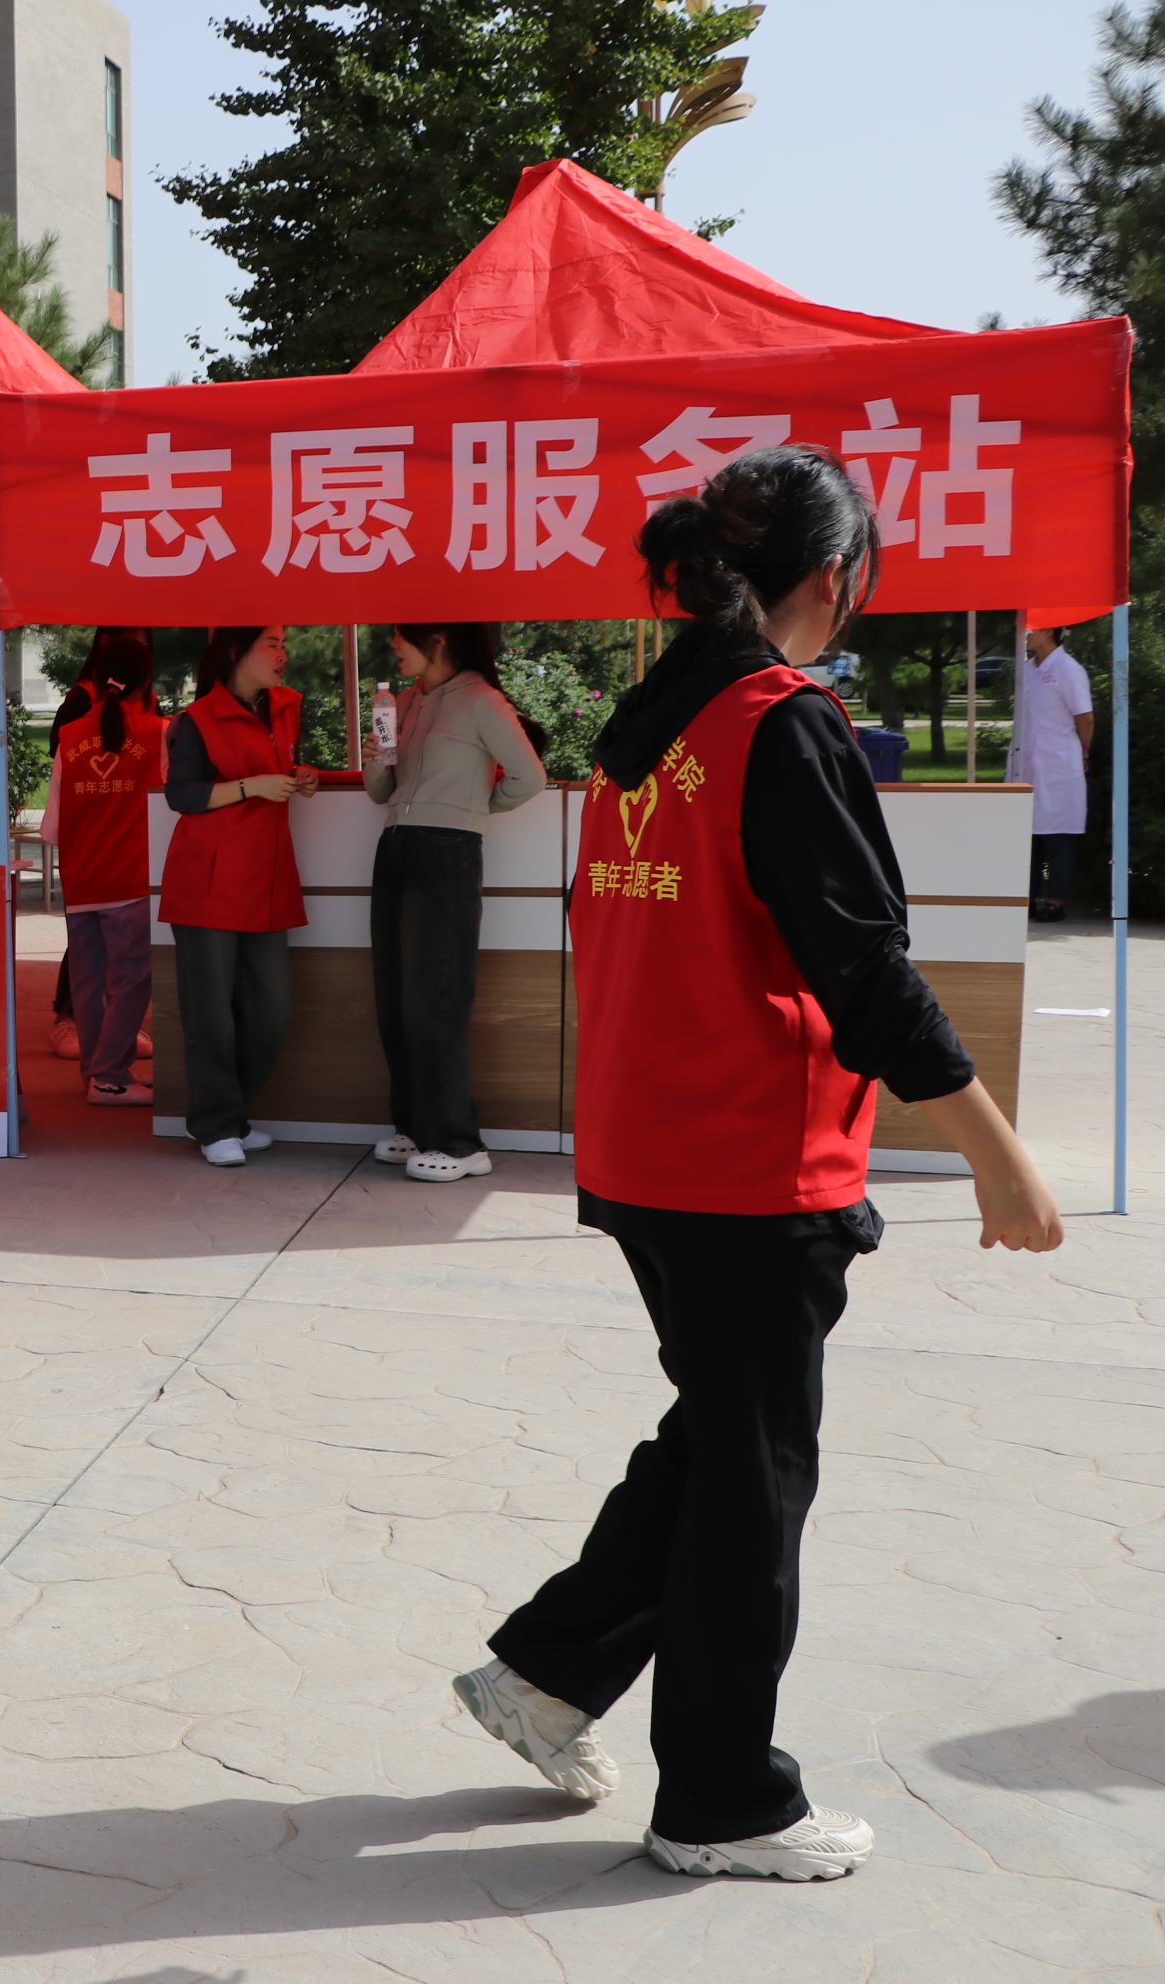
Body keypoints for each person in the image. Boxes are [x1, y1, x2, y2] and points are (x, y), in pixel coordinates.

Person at [453, 446, 1063, 1883]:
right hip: (744, 1162)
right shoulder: (778, 723)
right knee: (752, 1490)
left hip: (649, 1146)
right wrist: (997, 1153)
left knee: (721, 1443)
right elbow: (866, 969)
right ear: (836, 579)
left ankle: (544, 1671)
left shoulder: (645, 726)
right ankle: (721, 1802)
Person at [363, 622, 547, 1182]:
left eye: (402, 636)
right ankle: (417, 1127)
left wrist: (472, 809)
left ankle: (460, 1143)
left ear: (437, 638)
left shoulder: (481, 700)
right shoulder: (406, 702)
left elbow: (528, 777)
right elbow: (381, 791)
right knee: (395, 998)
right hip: (396, 845)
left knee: (435, 998)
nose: (393, 645)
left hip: (447, 850)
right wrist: (375, 757)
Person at [158, 626, 315, 1166]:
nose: (282, 653)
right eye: (271, 643)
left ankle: (228, 1113)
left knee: (273, 1008)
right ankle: (217, 1124)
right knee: (210, 1013)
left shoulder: (286, 708)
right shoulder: (195, 720)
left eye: (283, 643)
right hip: (208, 880)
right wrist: (253, 786)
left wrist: (302, 776)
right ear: (235, 652)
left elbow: (283, 766)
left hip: (267, 878)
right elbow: (181, 794)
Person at [46, 628, 169, 1106]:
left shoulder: (70, 736)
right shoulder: (160, 733)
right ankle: (111, 1075)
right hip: (131, 878)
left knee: (88, 984)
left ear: (96, 678)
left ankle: (96, 1074)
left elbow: (53, 825)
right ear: (147, 683)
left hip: (81, 881)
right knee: (133, 981)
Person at [1007, 622, 1094, 921]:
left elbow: (1085, 717)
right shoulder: (1027, 669)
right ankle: (1027, 898)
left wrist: (1084, 751)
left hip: (1058, 762)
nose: (1023, 635)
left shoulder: (1068, 670)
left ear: (1048, 631)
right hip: (1027, 762)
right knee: (1028, 835)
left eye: (1029, 629)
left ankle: (1056, 901)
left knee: (1058, 835)